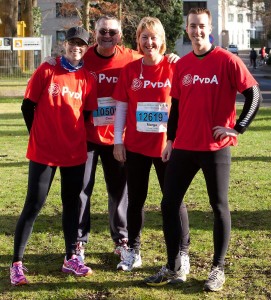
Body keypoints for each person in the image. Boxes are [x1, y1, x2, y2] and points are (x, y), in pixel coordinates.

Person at [144, 8, 262, 292]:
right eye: (192, 26)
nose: (197, 31)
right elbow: (176, 109)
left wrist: (238, 127)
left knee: (218, 206)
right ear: (187, 29)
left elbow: (253, 94)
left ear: (209, 28)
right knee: (168, 203)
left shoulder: (226, 60)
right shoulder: (182, 65)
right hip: (184, 145)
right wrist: (170, 141)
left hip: (214, 148)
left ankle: (217, 268)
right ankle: (173, 264)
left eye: (201, 26)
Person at [46, 15, 180, 262]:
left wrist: (174, 58)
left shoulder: (130, 57)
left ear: (120, 35)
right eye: (102, 31)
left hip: (118, 138)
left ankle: (122, 239)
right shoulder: (83, 56)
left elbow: (155, 56)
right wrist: (52, 60)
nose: (107, 36)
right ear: (95, 33)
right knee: (81, 190)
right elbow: (63, 62)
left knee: (119, 191)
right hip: (86, 134)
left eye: (112, 32)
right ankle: (78, 241)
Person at [10, 26, 98, 286]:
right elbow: (28, 106)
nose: (76, 48)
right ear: (64, 44)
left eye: (81, 44)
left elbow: (86, 115)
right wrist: (37, 134)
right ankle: (16, 263)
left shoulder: (87, 79)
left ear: (86, 48)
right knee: (34, 204)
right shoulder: (47, 70)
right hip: (43, 152)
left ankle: (71, 257)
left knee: (71, 204)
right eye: (72, 43)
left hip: (73, 152)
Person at [112, 17, 190, 277]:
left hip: (167, 148)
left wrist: (176, 139)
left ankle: (182, 253)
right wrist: (118, 141)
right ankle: (133, 250)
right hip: (135, 147)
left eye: (153, 37)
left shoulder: (174, 67)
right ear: (138, 42)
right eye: (144, 37)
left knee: (174, 201)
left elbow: (184, 104)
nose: (149, 42)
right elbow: (122, 107)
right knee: (135, 200)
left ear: (163, 41)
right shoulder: (131, 71)